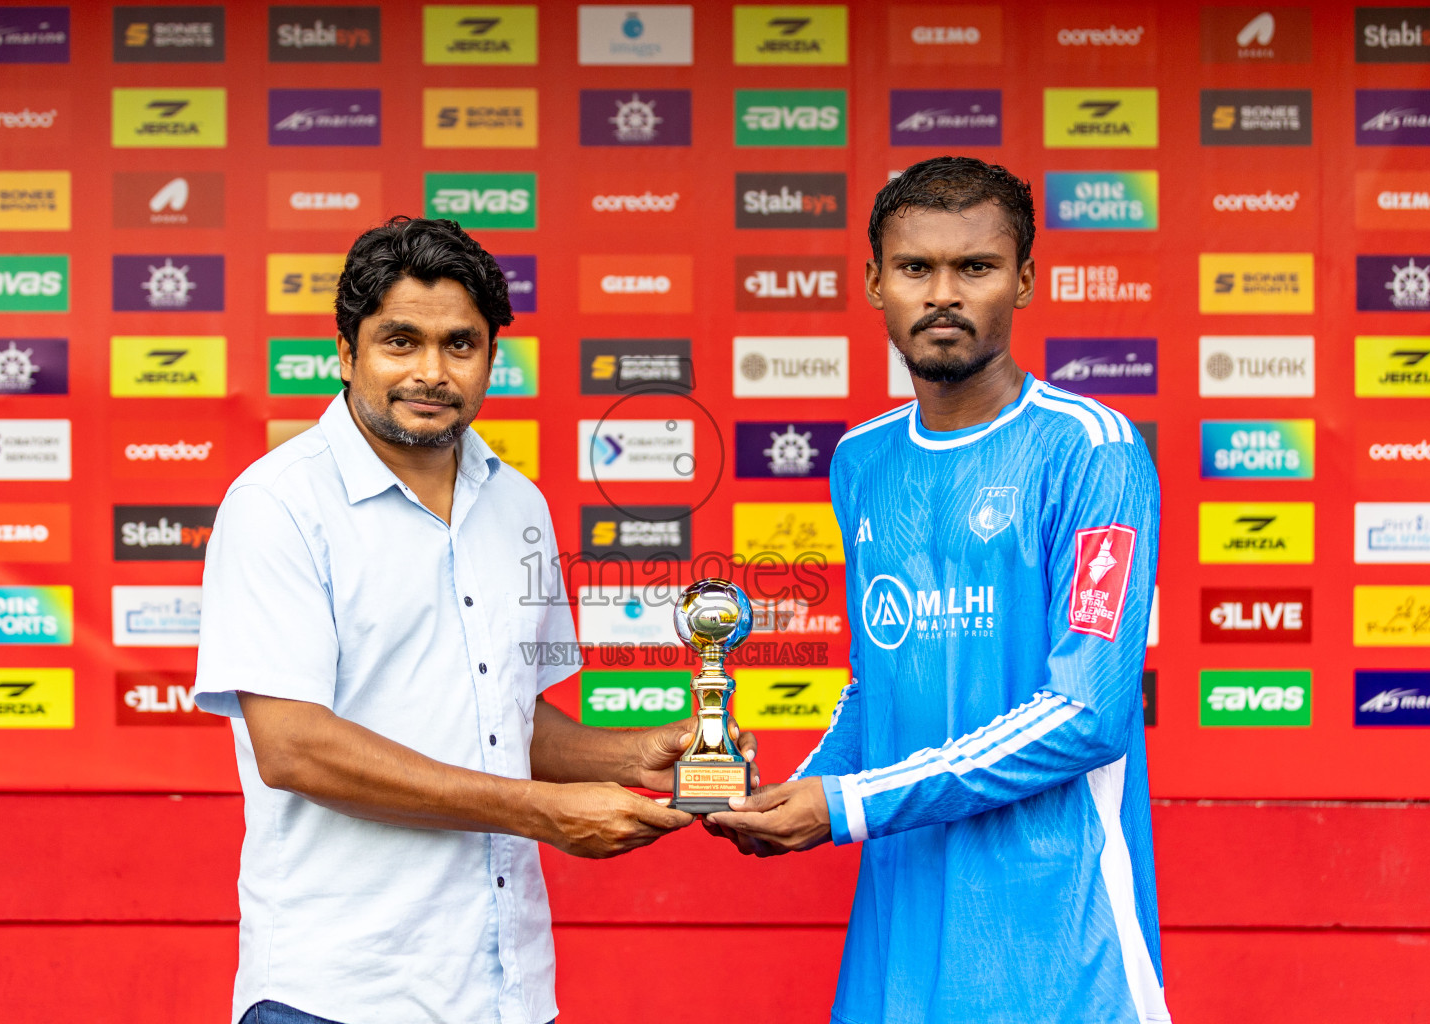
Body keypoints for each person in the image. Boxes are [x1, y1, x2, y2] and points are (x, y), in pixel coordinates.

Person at [193, 217, 752, 1024]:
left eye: (460, 344)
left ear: (491, 358)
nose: (431, 371)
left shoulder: (518, 503)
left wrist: (631, 758)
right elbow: (294, 748)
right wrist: (542, 813)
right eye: (400, 342)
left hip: (505, 988)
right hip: (337, 993)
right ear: (347, 353)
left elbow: (502, 719)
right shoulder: (276, 505)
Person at [707, 157, 1169, 1024]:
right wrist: (789, 794)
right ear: (876, 281)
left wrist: (846, 806)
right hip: (900, 931)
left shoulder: (1092, 451)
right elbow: (876, 681)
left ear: (1025, 280)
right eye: (917, 269)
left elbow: (1087, 714)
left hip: (1059, 941)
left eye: (977, 268)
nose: (943, 294)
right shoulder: (862, 459)